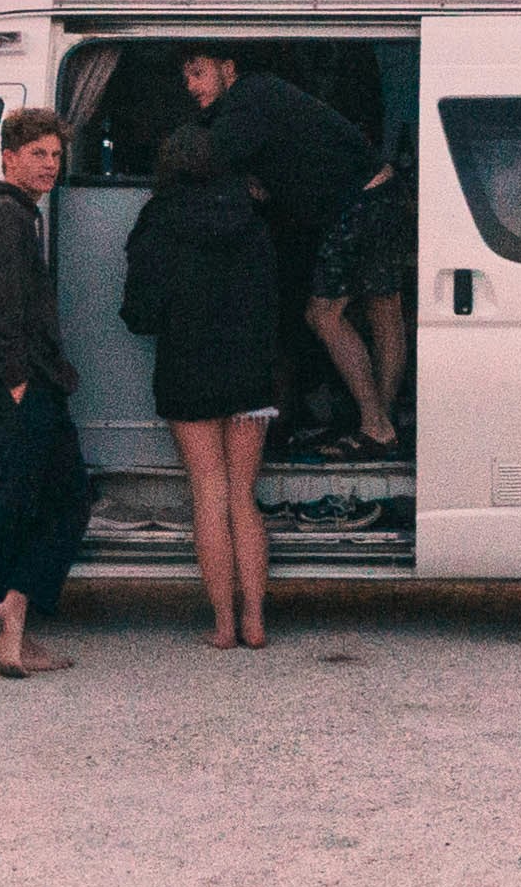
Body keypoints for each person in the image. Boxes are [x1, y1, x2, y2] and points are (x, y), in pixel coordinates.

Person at [120, 120, 279, 646]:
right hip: (250, 370)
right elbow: (272, 298)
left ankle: (224, 625)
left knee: (208, 491)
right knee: (242, 495)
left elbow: (140, 311)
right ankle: (256, 621)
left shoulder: (157, 220)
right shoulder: (252, 216)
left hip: (188, 368)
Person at [179, 49, 371, 444]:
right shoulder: (257, 100)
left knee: (321, 317)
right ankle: (371, 423)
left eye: (198, 74)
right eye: (186, 79)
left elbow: (210, 154)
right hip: (336, 210)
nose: (191, 86)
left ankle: (372, 423)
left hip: (349, 207)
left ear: (228, 69)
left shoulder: (250, 97)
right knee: (364, 313)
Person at [0, 106, 84, 677]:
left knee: (15, 501)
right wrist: (17, 383)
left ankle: (12, 626)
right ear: (9, 158)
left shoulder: (7, 212)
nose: (51, 165)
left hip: (15, 381)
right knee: (66, 500)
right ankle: (12, 612)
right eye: (39, 154)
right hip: (19, 382)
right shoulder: (7, 218)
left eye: (57, 156)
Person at [303, 135, 415, 451]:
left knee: (324, 314)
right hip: (387, 193)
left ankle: (376, 423)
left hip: (355, 200)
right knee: (385, 308)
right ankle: (382, 421)